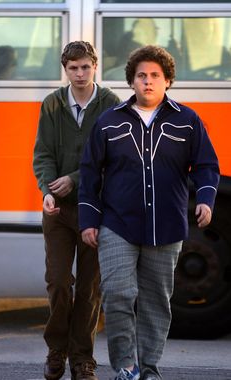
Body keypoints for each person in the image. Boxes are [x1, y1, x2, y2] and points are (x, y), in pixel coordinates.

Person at [78, 45, 220, 380]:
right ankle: (126, 366)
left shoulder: (188, 121)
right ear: (132, 81)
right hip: (117, 224)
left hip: (167, 225)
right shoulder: (109, 122)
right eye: (141, 75)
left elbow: (206, 165)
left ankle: (150, 369)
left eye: (155, 75)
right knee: (118, 294)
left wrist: (205, 198)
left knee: (157, 301)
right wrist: (88, 220)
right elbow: (89, 172)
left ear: (168, 80)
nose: (148, 82)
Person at [33, 41, 120, 380]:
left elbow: (113, 160)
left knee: (89, 287)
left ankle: (82, 358)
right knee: (57, 282)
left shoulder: (111, 105)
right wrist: (47, 191)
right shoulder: (53, 104)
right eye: (73, 68)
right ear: (65, 70)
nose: (80, 74)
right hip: (58, 211)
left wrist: (73, 179)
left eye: (85, 67)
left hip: (96, 210)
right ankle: (56, 352)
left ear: (95, 66)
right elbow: (42, 155)